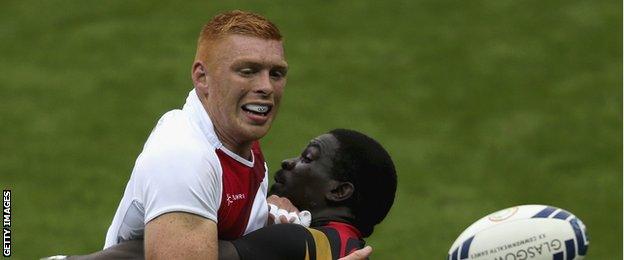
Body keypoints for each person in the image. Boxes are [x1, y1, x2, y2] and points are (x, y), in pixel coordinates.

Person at [104, 10, 287, 259]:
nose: (266, 87)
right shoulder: (183, 155)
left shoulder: (239, 139)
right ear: (202, 77)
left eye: (276, 73)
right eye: (247, 71)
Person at [66, 129, 397, 259]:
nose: (289, 162)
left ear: (338, 191)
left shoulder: (303, 244)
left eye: (308, 158)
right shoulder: (344, 249)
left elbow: (176, 254)